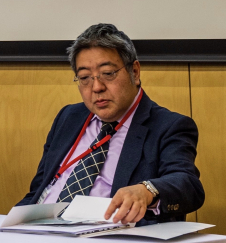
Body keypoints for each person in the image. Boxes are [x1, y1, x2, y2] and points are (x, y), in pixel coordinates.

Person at [19, 23, 203, 225]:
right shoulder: (68, 117)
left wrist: (147, 190)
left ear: (135, 71)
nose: (96, 87)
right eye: (85, 78)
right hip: (39, 230)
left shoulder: (168, 126)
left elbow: (189, 185)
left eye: (108, 73)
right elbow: (39, 189)